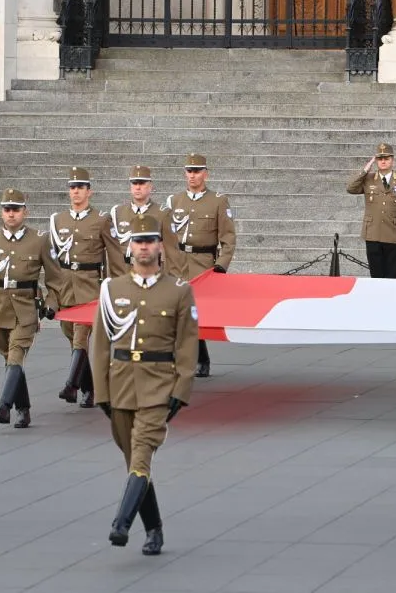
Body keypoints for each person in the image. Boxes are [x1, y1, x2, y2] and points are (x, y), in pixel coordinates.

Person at [91, 213, 198, 556]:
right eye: (139, 241)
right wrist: (101, 392)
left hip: (158, 386)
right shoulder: (112, 289)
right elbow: (100, 345)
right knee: (135, 463)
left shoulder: (179, 291)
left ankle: (121, 523)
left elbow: (186, 345)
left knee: (142, 454)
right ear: (129, 247)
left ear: (160, 246)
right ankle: (154, 529)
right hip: (120, 385)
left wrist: (180, 390)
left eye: (150, 240)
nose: (144, 247)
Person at [0, 188, 59, 429]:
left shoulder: (39, 240)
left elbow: (56, 279)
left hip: (25, 310)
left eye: (16, 209)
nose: (11, 214)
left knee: (16, 354)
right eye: (7, 209)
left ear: (25, 212)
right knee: (10, 359)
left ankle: (4, 406)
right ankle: (24, 408)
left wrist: (51, 304)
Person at [165, 153, 236, 377]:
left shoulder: (217, 200)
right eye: (189, 171)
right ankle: (190, 357)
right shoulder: (175, 201)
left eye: (197, 171)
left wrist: (221, 265)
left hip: (202, 263)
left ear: (205, 173)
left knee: (194, 313)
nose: (193, 175)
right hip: (177, 262)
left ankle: (199, 358)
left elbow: (228, 237)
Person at [51, 167, 112, 407]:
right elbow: (53, 259)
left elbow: (114, 256)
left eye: (80, 188)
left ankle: (71, 385)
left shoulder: (101, 220)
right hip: (66, 286)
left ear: (89, 192)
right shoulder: (58, 220)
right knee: (72, 336)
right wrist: (51, 293)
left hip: (89, 287)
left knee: (80, 336)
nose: (76, 192)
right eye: (72, 188)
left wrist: (112, 288)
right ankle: (91, 388)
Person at [346, 142, 396, 279]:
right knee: (376, 276)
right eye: (380, 159)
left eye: (387, 158)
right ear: (376, 160)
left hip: (395, 234)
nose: (383, 161)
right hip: (373, 233)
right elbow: (350, 188)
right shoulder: (368, 179)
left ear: (392, 160)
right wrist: (365, 170)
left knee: (393, 276)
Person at [105, 165, 181, 278]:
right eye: (134, 183)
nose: (137, 187)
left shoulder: (163, 213)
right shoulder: (117, 212)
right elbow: (113, 251)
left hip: (151, 273)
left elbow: (172, 253)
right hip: (124, 273)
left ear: (150, 186)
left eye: (142, 183)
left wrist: (174, 281)